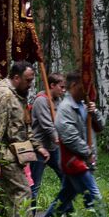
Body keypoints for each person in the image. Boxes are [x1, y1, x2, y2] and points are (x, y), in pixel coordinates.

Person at [42, 72, 104, 217]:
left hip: (81, 162)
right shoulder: (65, 108)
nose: (88, 90)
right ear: (75, 86)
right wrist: (87, 153)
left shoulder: (83, 105)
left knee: (64, 198)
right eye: (85, 86)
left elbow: (100, 126)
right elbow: (70, 137)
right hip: (75, 163)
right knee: (95, 198)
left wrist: (94, 112)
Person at [0, 62, 35, 217]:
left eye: (32, 80)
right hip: (4, 156)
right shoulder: (3, 96)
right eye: (28, 80)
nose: (30, 84)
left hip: (14, 154)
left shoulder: (17, 95)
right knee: (22, 193)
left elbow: (23, 125)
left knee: (2, 198)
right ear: (16, 78)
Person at [29, 73, 64, 204]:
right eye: (61, 87)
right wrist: (56, 138)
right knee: (34, 185)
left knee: (66, 177)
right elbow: (47, 124)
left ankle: (65, 211)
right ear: (52, 85)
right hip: (39, 148)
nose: (63, 90)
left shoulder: (58, 101)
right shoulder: (41, 101)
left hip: (54, 148)